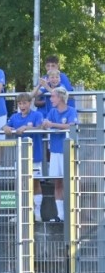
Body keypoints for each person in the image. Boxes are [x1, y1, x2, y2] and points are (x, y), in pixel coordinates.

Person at [3, 92, 46, 218]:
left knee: (35, 182)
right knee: (20, 183)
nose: (22, 106)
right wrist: (5, 128)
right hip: (19, 155)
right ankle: (21, 212)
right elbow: (5, 126)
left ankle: (37, 211)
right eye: (20, 103)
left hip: (35, 155)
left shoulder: (37, 115)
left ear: (30, 103)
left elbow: (41, 128)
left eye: (24, 103)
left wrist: (27, 128)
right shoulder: (14, 117)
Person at [42, 87, 78, 222]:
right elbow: (45, 124)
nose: (50, 99)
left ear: (60, 98)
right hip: (55, 151)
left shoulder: (71, 110)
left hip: (67, 151)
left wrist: (53, 124)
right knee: (57, 182)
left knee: (70, 182)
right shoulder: (52, 111)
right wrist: (46, 124)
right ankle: (60, 215)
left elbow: (71, 125)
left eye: (53, 96)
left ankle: (72, 213)